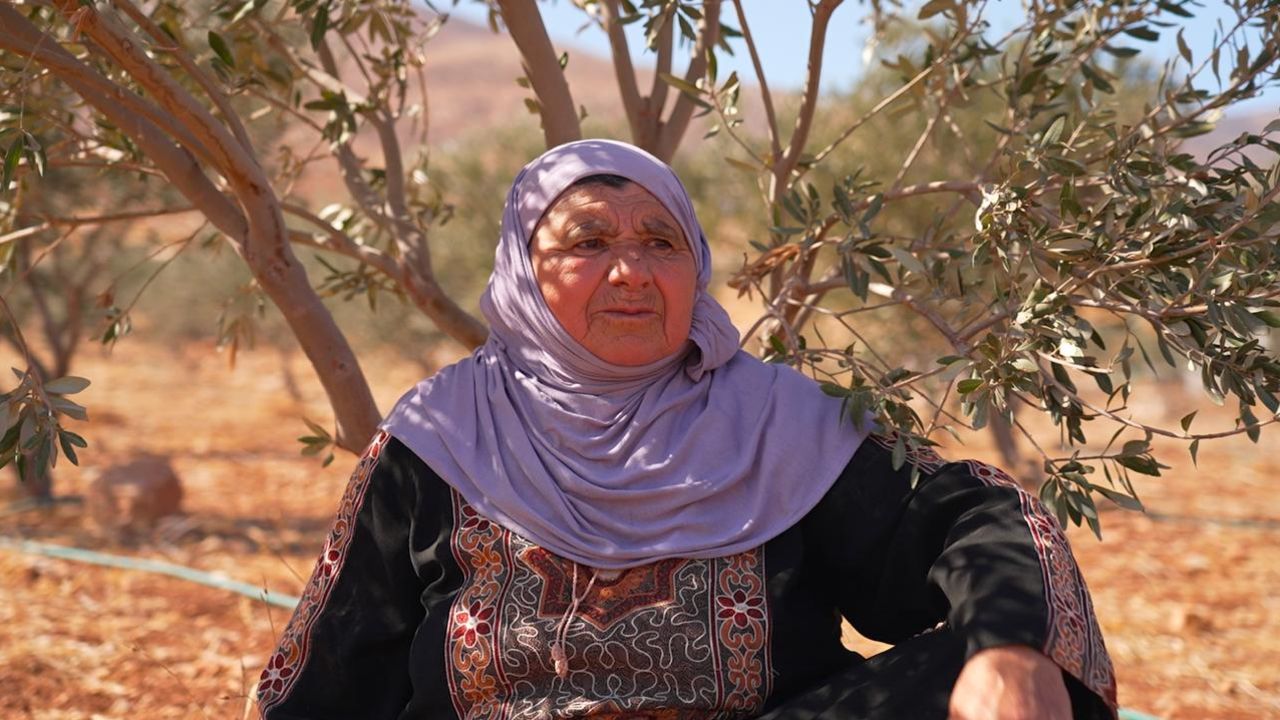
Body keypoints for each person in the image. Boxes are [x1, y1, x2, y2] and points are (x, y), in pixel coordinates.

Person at [256, 140, 1117, 719]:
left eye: (661, 242)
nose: (631, 271)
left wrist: (1009, 648)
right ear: (524, 270)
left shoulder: (781, 424)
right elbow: (337, 671)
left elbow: (973, 519)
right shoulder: (440, 437)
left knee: (1023, 673)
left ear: (694, 269)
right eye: (588, 242)